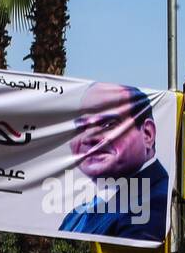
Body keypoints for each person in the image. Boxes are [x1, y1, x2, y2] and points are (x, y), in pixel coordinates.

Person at [58, 83, 168, 242]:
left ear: (147, 134)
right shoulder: (76, 216)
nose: (89, 138)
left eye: (108, 124)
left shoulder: (155, 204)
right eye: (81, 127)